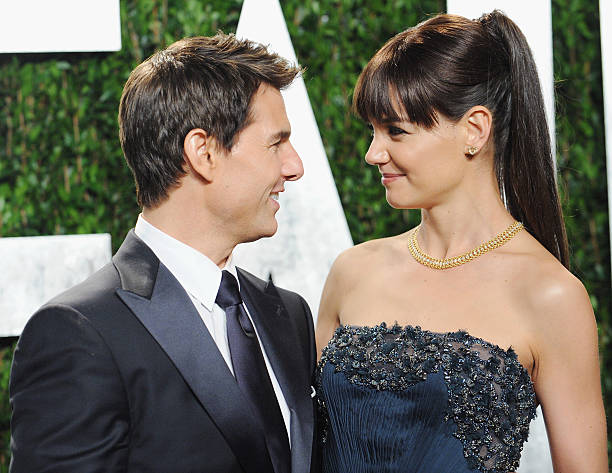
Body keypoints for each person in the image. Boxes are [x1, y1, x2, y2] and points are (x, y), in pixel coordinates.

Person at [10, 33, 318, 473]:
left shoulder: (289, 315)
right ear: (203, 152)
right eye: (276, 143)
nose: (295, 166)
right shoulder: (79, 334)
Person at [315, 10, 607, 473]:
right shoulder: (352, 272)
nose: (373, 153)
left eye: (396, 131)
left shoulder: (552, 295)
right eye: (372, 131)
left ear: (474, 130)